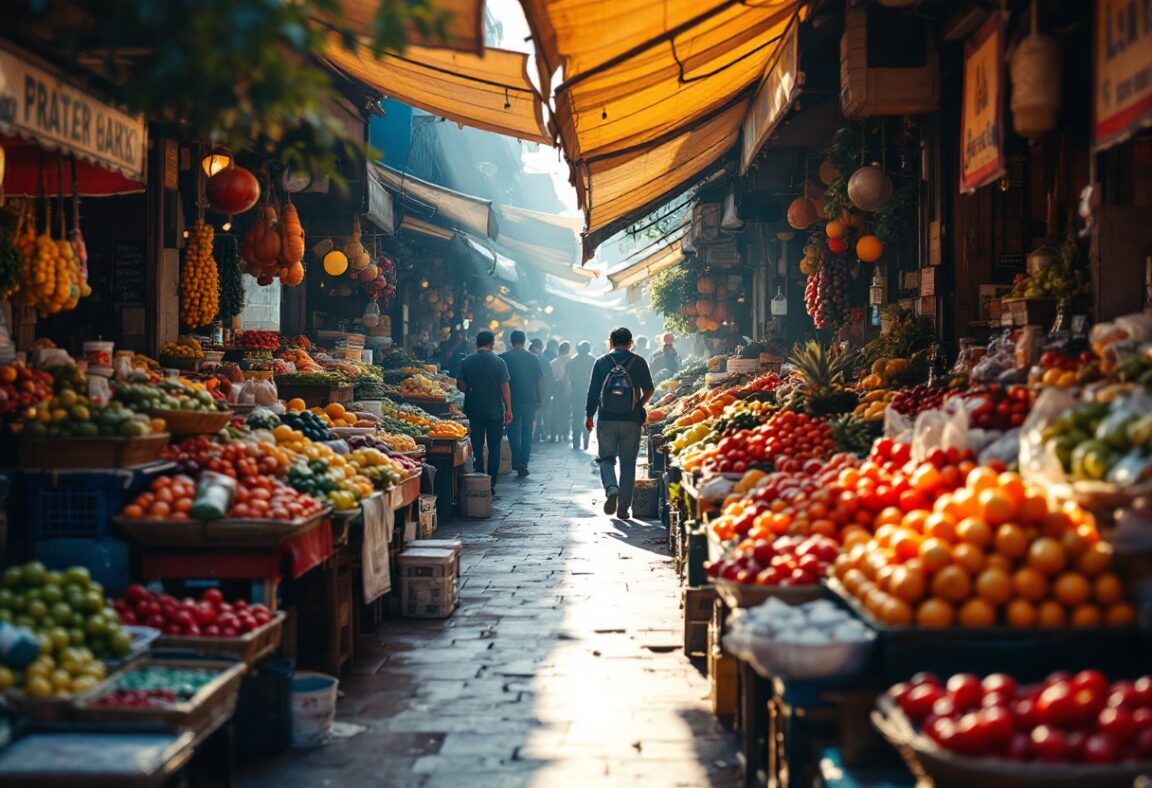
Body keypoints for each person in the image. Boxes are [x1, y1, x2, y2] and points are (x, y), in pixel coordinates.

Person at [585, 327, 654, 519]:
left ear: (611, 342)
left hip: (606, 419)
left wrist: (589, 416)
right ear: (630, 343)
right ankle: (623, 509)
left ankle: (611, 488)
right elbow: (649, 389)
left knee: (606, 459)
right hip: (631, 421)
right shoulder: (639, 362)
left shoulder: (601, 362)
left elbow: (592, 392)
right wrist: (638, 404)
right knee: (628, 463)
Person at [456, 331, 512, 495]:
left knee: (477, 446)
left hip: (474, 410)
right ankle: (492, 482)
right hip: (494, 410)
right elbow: (505, 388)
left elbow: (461, 385)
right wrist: (508, 408)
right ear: (492, 343)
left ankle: (480, 477)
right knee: (494, 447)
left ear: (477, 343)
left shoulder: (466, 361)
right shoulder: (499, 362)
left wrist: (471, 387)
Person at [501, 330, 543, 477]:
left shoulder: (504, 358)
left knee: (513, 431)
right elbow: (539, 380)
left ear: (511, 341)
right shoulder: (533, 358)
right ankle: (523, 462)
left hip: (511, 401)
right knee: (526, 431)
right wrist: (540, 398)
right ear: (524, 341)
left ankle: (516, 460)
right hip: (529, 400)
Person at [565, 341, 595, 450]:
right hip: (589, 394)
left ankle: (576, 442)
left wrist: (568, 392)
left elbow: (567, 379)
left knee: (576, 418)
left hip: (576, 394)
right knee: (588, 417)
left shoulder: (572, 361)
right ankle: (586, 441)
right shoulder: (593, 360)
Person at [529, 338, 554, 444]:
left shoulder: (540, 360)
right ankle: (537, 435)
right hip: (540, 393)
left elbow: (546, 379)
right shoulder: (543, 360)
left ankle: (536, 436)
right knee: (538, 415)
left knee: (536, 415)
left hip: (538, 393)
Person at [549, 341, 572, 443]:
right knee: (566, 413)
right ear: (569, 350)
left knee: (555, 413)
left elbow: (551, 378)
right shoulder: (572, 361)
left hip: (556, 392)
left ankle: (554, 434)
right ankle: (565, 434)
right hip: (569, 391)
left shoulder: (554, 362)